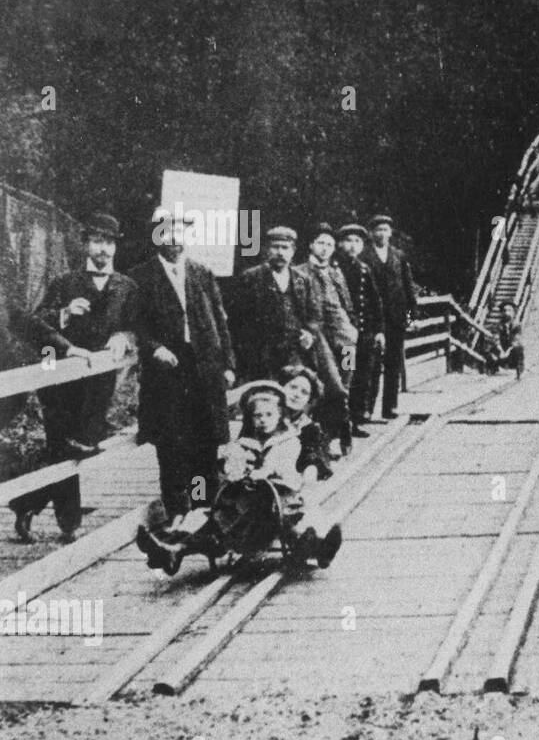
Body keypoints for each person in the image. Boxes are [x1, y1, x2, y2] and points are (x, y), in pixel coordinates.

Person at [9, 213, 138, 543]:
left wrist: (124, 338)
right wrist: (65, 316)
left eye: (109, 242)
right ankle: (69, 523)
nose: (103, 249)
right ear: (85, 244)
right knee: (65, 446)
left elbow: (138, 325)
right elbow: (32, 324)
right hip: (61, 382)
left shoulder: (126, 286)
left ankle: (27, 503)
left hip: (99, 384)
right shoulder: (65, 283)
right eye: (97, 241)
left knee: (76, 449)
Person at [135, 382, 342, 575]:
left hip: (277, 496)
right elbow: (230, 469)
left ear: (279, 416)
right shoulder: (243, 443)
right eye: (257, 416)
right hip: (246, 502)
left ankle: (318, 546)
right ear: (250, 419)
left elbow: (284, 466)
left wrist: (265, 471)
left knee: (297, 516)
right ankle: (173, 549)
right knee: (213, 517)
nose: (262, 420)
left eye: (269, 415)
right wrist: (237, 466)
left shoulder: (287, 441)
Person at [130, 208, 236, 529]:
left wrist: (228, 365)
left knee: (205, 443)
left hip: (204, 370)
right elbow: (136, 324)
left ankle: (203, 509)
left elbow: (220, 321)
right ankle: (178, 511)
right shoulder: (141, 277)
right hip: (168, 373)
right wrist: (155, 348)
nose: (174, 240)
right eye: (166, 233)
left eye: (179, 233)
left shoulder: (202, 273)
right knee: (173, 445)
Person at [227, 226, 323, 382]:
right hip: (261, 356)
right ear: (266, 250)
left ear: (293, 251)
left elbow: (315, 315)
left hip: (294, 354)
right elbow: (238, 321)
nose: (280, 252)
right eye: (275, 247)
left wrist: (310, 334)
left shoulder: (302, 279)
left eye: (285, 247)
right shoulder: (251, 277)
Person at [295, 224, 357, 455]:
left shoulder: (336, 273)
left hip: (347, 340)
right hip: (320, 339)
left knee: (346, 385)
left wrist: (352, 328)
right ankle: (330, 437)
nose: (324, 249)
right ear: (311, 245)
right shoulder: (300, 272)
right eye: (320, 243)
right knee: (333, 388)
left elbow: (347, 304)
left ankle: (340, 429)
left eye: (329, 245)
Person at [363, 214, 417, 421]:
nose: (382, 234)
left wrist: (412, 317)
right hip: (373, 319)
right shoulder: (365, 256)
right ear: (371, 233)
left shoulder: (399, 256)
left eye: (385, 230)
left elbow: (408, 288)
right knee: (372, 365)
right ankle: (367, 408)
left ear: (391, 233)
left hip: (396, 318)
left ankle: (390, 407)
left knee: (394, 364)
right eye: (378, 230)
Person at [334, 224, 384, 439]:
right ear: (340, 244)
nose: (352, 246)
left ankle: (356, 420)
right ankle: (341, 423)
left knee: (362, 378)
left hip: (364, 335)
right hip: (346, 337)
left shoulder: (364, 269)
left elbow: (375, 302)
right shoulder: (335, 269)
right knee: (346, 376)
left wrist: (379, 331)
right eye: (349, 241)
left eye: (357, 242)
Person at [279, 364, 332, 481]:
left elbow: (311, 454)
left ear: (309, 400)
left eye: (304, 392)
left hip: (291, 477)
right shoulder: (267, 415)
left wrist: (311, 468)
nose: (297, 394)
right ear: (282, 387)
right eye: (292, 387)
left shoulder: (308, 427)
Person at [494, 302, 525, 378]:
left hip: (511, 349)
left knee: (519, 348)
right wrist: (500, 349)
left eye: (509, 310)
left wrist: (507, 351)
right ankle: (496, 368)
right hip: (502, 348)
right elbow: (496, 338)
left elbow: (516, 339)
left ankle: (519, 370)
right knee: (490, 349)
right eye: (504, 311)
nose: (506, 313)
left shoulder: (517, 325)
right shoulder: (499, 325)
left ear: (513, 312)